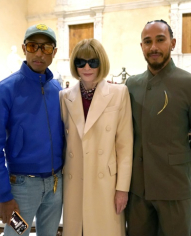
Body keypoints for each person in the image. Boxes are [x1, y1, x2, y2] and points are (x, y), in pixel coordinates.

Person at [125, 20, 191, 236]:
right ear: (142, 47)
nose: (153, 47)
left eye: (160, 40)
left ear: (172, 43)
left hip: (173, 186)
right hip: (138, 189)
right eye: (147, 42)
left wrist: (178, 159)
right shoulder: (131, 85)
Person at [0, 24, 63, 236]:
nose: (39, 53)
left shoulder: (58, 90)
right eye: (33, 46)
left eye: (46, 48)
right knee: (18, 233)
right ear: (24, 48)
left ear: (54, 52)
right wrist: (4, 196)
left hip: (55, 186)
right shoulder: (5, 90)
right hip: (21, 190)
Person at [60, 38, 133, 236]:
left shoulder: (119, 93)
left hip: (106, 185)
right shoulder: (65, 96)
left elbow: (125, 147)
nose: (86, 67)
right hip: (75, 182)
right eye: (80, 62)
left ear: (102, 63)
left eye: (93, 62)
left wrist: (122, 189)